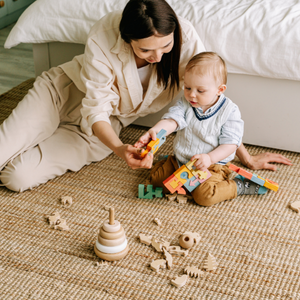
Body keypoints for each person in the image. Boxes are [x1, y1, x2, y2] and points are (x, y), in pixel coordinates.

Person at [0, 0, 291, 193]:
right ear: (128, 40)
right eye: (146, 50)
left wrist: (246, 158)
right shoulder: (104, 33)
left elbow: (213, 106)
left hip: (101, 129)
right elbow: (96, 108)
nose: (158, 56)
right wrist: (118, 149)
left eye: (165, 46)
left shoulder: (184, 39)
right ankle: (31, 134)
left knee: (16, 178)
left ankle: (35, 142)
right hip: (62, 95)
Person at [134, 52, 286, 206]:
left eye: (200, 91)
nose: (191, 95)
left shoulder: (229, 111)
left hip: (213, 165)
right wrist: (155, 130)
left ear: (220, 90)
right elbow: (172, 120)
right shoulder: (185, 104)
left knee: (204, 196)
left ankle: (238, 186)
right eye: (187, 87)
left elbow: (231, 144)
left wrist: (210, 158)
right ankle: (168, 163)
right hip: (181, 161)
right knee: (156, 181)